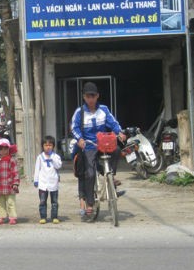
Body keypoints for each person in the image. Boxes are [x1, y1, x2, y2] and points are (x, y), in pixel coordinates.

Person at [71, 82, 126, 218]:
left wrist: (119, 132)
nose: (91, 99)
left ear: (97, 96)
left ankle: (111, 176)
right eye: (88, 96)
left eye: (93, 96)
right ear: (84, 97)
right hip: (89, 146)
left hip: (104, 144)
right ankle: (90, 203)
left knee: (117, 150)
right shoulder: (80, 112)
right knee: (89, 174)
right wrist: (80, 139)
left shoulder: (104, 109)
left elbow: (113, 122)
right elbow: (74, 127)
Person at [34, 135, 63, 224]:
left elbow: (58, 165)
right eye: (46, 145)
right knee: (42, 201)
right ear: (43, 146)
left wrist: (52, 157)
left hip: (53, 182)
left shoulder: (56, 156)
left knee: (54, 201)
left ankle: (54, 216)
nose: (48, 147)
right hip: (43, 183)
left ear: (53, 146)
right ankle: (43, 217)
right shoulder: (40, 157)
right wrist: (36, 180)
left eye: (50, 145)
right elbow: (37, 169)